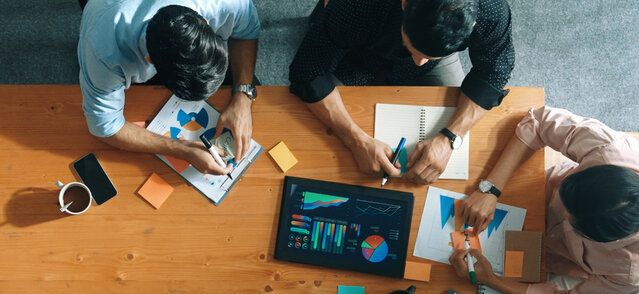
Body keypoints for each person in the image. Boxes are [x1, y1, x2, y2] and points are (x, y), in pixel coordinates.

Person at [289, 0, 514, 184]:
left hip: (437, 59)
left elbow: (493, 73)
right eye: (413, 49)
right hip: (359, 55)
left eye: (426, 55)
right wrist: (356, 140)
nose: (418, 63)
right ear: (405, 3)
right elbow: (308, 70)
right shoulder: (355, 5)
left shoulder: (492, 10)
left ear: (473, 24)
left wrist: (450, 138)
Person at [449, 106, 639, 294]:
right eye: (566, 202)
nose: (563, 213)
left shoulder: (629, 273)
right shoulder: (612, 151)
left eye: (573, 223)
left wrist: (490, 279)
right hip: (536, 190)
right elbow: (540, 121)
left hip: (565, 261)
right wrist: (492, 189)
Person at [78, 0, 260, 175]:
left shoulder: (223, 3)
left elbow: (246, 29)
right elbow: (105, 127)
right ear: (150, 62)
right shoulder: (103, 52)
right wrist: (181, 148)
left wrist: (243, 96)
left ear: (205, 21)